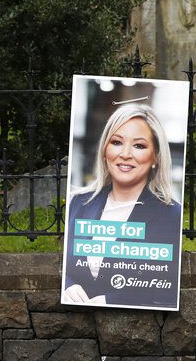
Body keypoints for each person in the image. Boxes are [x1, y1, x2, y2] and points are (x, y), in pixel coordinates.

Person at [62, 103, 181, 307]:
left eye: (139, 146)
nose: (125, 154)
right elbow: (64, 266)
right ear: (104, 149)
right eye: (117, 142)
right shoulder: (78, 203)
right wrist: (68, 285)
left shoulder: (172, 214)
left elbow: (167, 286)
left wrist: (111, 300)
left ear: (156, 157)